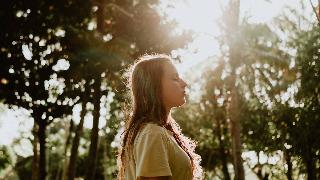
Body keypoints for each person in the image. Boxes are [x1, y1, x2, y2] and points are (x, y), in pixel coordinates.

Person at [117, 54, 203, 180]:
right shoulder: (152, 134)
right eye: (175, 78)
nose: (184, 83)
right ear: (153, 86)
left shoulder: (159, 132)